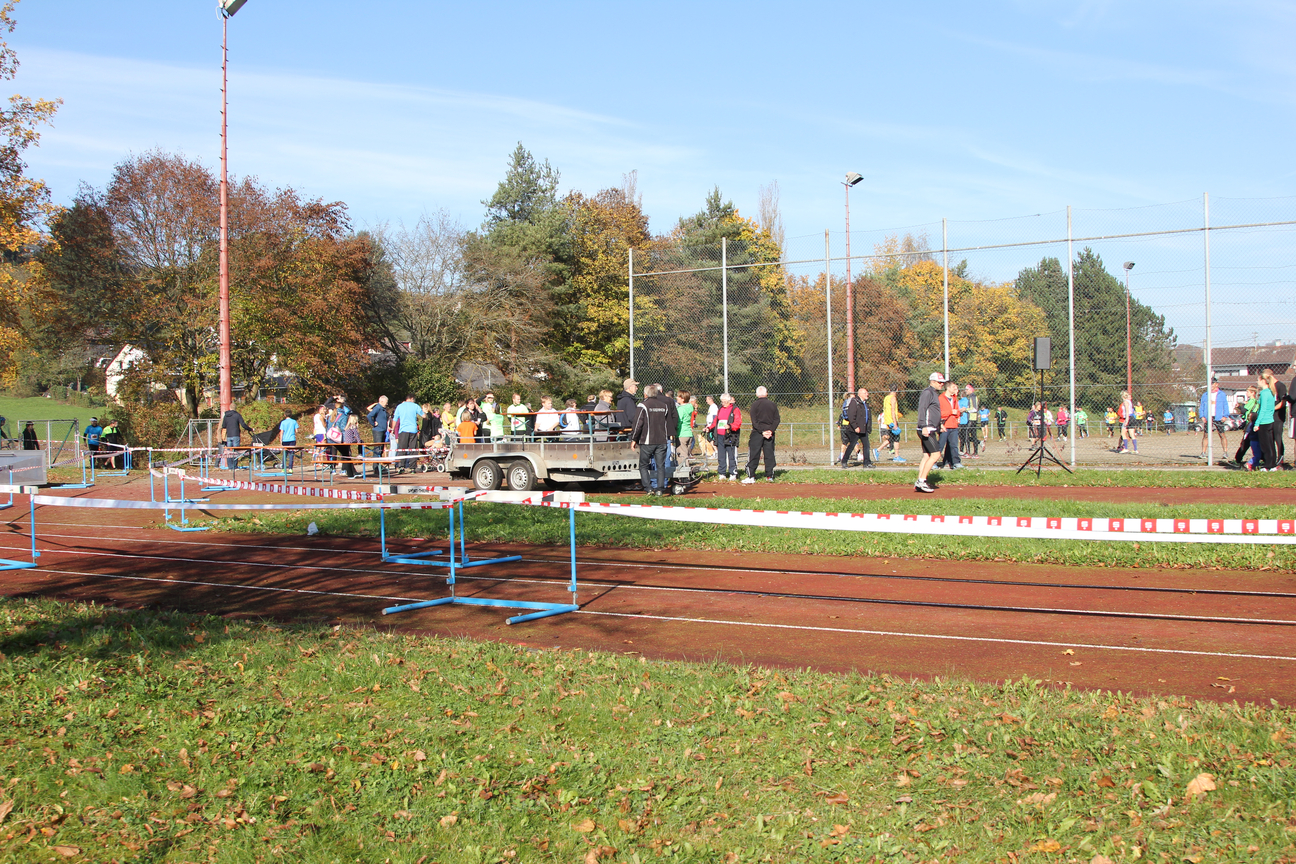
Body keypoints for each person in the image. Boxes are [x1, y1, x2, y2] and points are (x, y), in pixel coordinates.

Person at [630, 384, 676, 496]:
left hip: (647, 441)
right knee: (661, 465)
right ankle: (660, 489)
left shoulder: (643, 405)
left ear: (645, 394)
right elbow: (668, 422)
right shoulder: (664, 406)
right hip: (662, 440)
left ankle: (648, 488)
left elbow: (638, 424)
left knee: (643, 465)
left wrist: (634, 439)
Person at [742, 386, 781, 484]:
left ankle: (751, 475)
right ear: (766, 393)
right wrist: (770, 430)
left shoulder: (754, 405)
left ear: (756, 394)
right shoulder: (772, 404)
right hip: (769, 433)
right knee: (769, 453)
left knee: (754, 454)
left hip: (757, 433)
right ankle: (769, 475)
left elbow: (754, 421)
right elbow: (777, 419)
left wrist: (762, 431)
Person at [915, 372, 945, 493]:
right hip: (927, 429)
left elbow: (933, 411)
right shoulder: (927, 392)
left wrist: (940, 424)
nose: (941, 384)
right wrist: (923, 426)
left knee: (927, 456)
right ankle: (922, 481)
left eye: (942, 382)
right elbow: (922, 409)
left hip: (931, 428)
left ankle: (919, 481)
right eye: (939, 382)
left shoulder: (934, 393)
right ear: (932, 382)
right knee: (936, 455)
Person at [709, 393, 742, 481]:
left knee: (731, 455)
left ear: (729, 401)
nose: (723, 403)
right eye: (722, 401)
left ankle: (733, 473)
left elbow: (738, 422)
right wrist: (709, 427)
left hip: (730, 435)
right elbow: (715, 421)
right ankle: (722, 473)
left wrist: (730, 426)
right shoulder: (720, 408)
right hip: (720, 435)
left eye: (725, 402)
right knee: (721, 455)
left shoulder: (735, 409)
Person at [842, 387, 873, 469]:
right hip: (855, 429)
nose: (867, 394)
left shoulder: (865, 403)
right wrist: (855, 426)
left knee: (866, 445)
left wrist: (868, 427)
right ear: (860, 394)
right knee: (852, 445)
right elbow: (851, 415)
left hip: (864, 428)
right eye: (865, 393)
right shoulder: (854, 402)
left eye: (867, 393)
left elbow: (868, 416)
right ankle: (844, 461)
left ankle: (867, 463)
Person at [391, 394, 424, 472]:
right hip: (413, 430)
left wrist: (392, 429)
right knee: (413, 449)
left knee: (402, 449)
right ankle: (412, 468)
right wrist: (427, 415)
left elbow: (395, 419)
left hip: (403, 431)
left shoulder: (399, 406)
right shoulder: (415, 406)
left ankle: (401, 466)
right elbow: (423, 415)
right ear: (412, 399)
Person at [1254, 372, 1279, 472]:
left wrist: (1257, 423)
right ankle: (1272, 464)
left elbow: (1262, 409)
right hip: (1270, 421)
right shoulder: (1271, 392)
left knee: (1265, 445)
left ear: (1263, 381)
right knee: (1270, 444)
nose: (1257, 382)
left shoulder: (1264, 393)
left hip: (1264, 422)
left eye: (1258, 380)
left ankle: (1268, 465)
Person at [1200, 381, 1229, 459]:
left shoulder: (1222, 394)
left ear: (1216, 384)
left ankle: (1225, 452)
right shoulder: (1205, 395)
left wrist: (1225, 415)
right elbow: (1202, 406)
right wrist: (1202, 416)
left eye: (1212, 384)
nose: (1211, 385)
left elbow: (1225, 405)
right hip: (1208, 417)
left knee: (1222, 434)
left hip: (1218, 417)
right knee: (1206, 435)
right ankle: (1203, 452)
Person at [881, 385, 904, 462]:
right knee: (896, 438)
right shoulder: (893, 398)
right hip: (892, 421)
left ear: (889, 389)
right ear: (897, 390)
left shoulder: (886, 398)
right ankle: (896, 456)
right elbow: (893, 411)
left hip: (887, 420)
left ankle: (878, 450)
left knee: (892, 438)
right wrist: (895, 422)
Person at [676, 391, 695, 467]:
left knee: (682, 455)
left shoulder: (681, 409)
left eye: (678, 396)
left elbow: (678, 421)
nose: (677, 398)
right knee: (686, 453)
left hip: (682, 433)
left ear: (683, 399)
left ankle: (685, 471)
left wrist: (674, 429)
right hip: (689, 433)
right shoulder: (689, 407)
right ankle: (687, 470)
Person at [964, 385, 981, 456]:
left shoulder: (973, 397)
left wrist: (966, 410)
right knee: (973, 435)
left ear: (970, 390)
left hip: (972, 418)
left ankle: (968, 452)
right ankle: (975, 452)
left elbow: (975, 409)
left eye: (967, 389)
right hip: (971, 418)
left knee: (966, 434)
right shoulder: (971, 397)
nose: (965, 391)